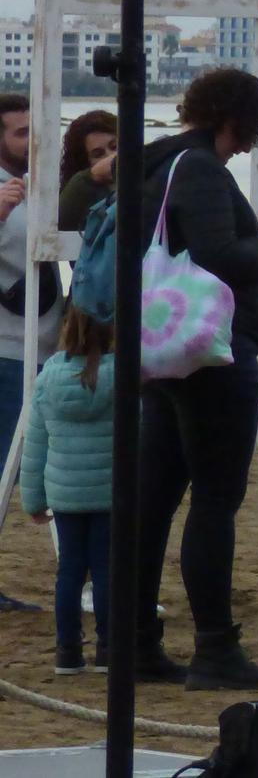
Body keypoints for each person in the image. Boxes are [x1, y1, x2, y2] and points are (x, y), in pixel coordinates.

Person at [134, 66, 258, 688]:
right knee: (213, 500)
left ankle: (134, 642)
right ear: (238, 118)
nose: (249, 142)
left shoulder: (159, 164)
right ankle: (215, 648)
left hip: (164, 355)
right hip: (211, 356)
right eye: (252, 128)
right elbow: (219, 260)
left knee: (153, 501)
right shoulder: (202, 170)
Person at [20, 304, 115, 674]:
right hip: (109, 494)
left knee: (70, 572)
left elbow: (36, 444)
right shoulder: (121, 376)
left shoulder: (49, 378)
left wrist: (33, 499)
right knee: (107, 571)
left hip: (66, 495)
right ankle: (108, 648)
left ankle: (67, 651)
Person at [1, 92, 61, 613]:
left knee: (46, 465)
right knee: (5, 464)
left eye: (33, 130)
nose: (30, 141)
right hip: (5, 349)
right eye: (20, 132)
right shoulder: (5, 192)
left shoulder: (47, 184)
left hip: (50, 345)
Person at [57, 110, 118, 232]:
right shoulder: (78, 191)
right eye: (98, 154)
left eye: (114, 147)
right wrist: (91, 176)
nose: (111, 157)